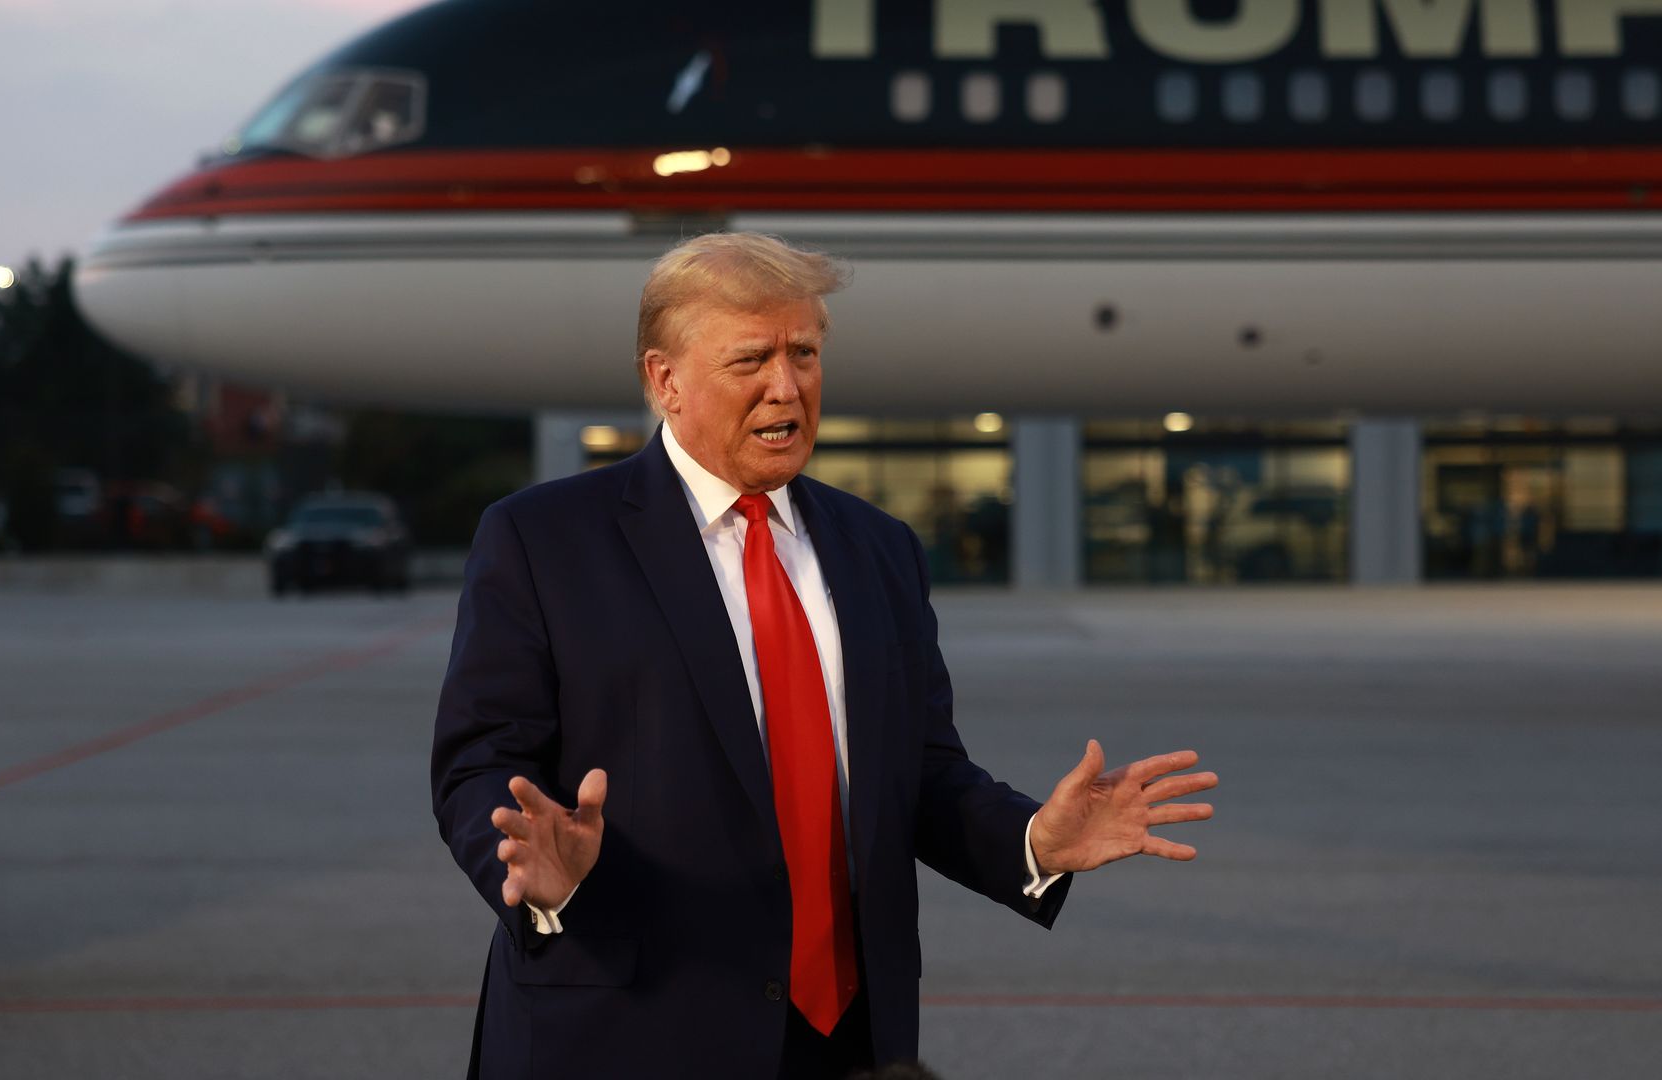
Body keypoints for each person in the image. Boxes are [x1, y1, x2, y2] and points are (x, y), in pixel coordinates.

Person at [430, 232, 1217, 1079]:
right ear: (665, 381)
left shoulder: (879, 548)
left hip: (846, 1040)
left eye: (803, 352)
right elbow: (480, 762)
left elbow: (922, 775)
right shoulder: (544, 539)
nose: (787, 385)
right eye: (751, 360)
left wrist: (1032, 842)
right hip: (624, 1032)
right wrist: (537, 874)